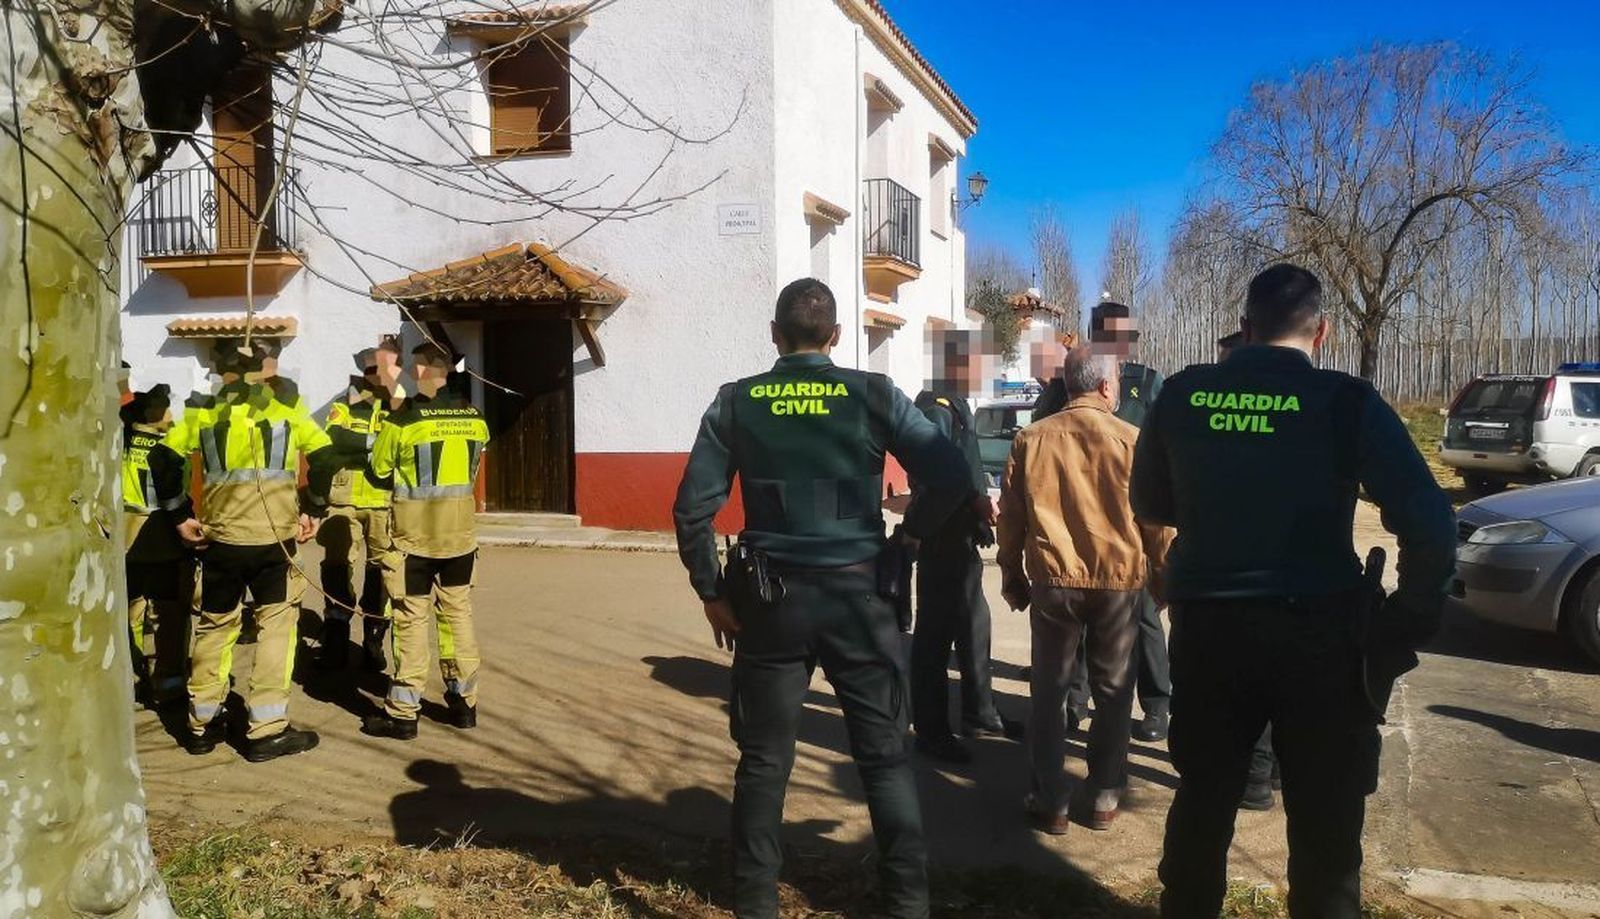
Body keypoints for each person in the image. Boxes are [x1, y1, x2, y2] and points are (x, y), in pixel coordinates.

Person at [1131, 264, 1456, 917]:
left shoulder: (1183, 394)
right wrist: (1406, 622)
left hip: (1212, 635)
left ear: (1245, 327)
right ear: (1322, 331)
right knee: (1326, 829)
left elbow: (1151, 502)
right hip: (1324, 643)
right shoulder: (1347, 401)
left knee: (1203, 804)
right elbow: (1431, 524)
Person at [672, 278, 974, 919]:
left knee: (763, 762)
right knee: (885, 761)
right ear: (836, 336)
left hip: (770, 606)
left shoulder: (737, 401)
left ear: (774, 335)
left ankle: (756, 903)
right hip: (860, 599)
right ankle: (907, 905)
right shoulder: (873, 394)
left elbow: (692, 509)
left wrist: (710, 590)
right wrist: (911, 537)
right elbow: (951, 473)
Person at [998, 347, 1171, 834]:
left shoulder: (1031, 439)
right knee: (1114, 691)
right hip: (1118, 585)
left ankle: (1050, 798)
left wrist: (1012, 576)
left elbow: (1011, 520)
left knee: (1050, 690)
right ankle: (1103, 794)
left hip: (1054, 583)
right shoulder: (1133, 440)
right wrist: (1162, 578)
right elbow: (1157, 521)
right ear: (1105, 386)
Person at [149, 342, 337, 762]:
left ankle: (202, 724)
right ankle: (266, 730)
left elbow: (162, 460)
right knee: (276, 629)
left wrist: (180, 515)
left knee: (215, 627)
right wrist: (315, 509)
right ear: (261, 371)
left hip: (221, 543)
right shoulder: (287, 409)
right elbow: (326, 457)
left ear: (220, 371)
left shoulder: (202, 411)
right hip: (274, 545)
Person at [361, 341, 491, 740]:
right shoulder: (475, 418)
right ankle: (464, 703)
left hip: (413, 540)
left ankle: (403, 713)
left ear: (420, 371)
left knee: (410, 621)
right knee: (457, 615)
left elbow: (377, 471)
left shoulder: (403, 421)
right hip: (460, 539)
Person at [907, 328, 1021, 764]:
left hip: (961, 535)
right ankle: (931, 730)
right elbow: (935, 475)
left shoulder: (955, 405)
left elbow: (962, 467)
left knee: (975, 626)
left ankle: (980, 712)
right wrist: (970, 503)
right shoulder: (935, 409)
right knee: (934, 638)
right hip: (941, 537)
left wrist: (976, 507)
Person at [1087, 301, 1175, 743]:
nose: (1124, 345)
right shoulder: (1074, 376)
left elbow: (1166, 444)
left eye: (1129, 336)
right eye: (1115, 336)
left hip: (1132, 517)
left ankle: (1157, 703)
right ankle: (1074, 698)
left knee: (1144, 615)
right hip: (1084, 511)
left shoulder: (1147, 382)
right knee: (1081, 611)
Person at [1216, 327, 1279, 811]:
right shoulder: (1312, 403)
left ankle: (1256, 778)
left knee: (1245, 681)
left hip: (1234, 570)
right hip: (1295, 573)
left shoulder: (1213, 414)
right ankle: (1271, 772)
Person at [317, 342, 405, 671]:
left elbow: (402, 446)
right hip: (344, 501)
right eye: (373, 369)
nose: (379, 375)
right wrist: (374, 445)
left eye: (386, 369)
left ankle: (373, 640)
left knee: (382, 571)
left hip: (384, 501)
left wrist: (357, 448)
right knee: (336, 566)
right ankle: (336, 637)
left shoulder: (399, 405)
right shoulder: (344, 404)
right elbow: (334, 439)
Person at [120, 383, 190, 708]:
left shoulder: (119, 441)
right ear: (153, 410)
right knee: (169, 613)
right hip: (164, 539)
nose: (171, 415)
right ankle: (170, 682)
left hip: (126, 541)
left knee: (130, 612)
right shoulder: (170, 446)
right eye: (166, 406)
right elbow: (178, 494)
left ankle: (134, 677)